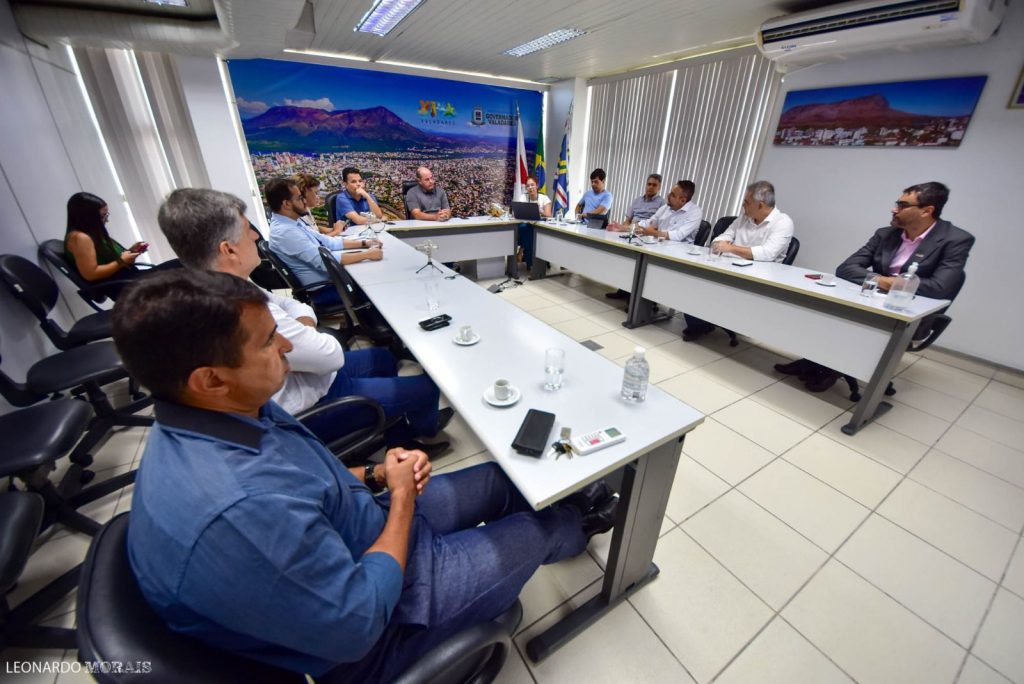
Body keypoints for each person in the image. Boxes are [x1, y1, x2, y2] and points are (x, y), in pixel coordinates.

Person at [116, 269, 618, 683]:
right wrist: (401, 500)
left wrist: (378, 473)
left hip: (364, 524)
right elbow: (356, 623)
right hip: (381, 622)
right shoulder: (237, 509)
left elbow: (305, 480)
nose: (286, 351)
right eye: (269, 343)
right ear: (210, 379)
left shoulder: (229, 412)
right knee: (533, 531)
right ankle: (575, 526)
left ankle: (564, 505)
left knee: (496, 479)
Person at [158, 188, 450, 453]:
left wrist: (302, 328)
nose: (257, 237)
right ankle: (424, 429)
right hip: (313, 401)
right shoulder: (239, 307)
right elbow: (331, 356)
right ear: (228, 249)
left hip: (310, 377)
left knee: (383, 359)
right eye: (248, 231)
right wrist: (303, 332)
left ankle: (397, 438)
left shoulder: (223, 284)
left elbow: (290, 303)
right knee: (428, 386)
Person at [776, 181, 974, 392]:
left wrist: (882, 281)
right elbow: (847, 268)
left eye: (902, 205)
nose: (894, 209)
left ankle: (830, 368)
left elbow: (939, 288)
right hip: (870, 300)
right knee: (823, 309)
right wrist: (888, 282)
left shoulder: (955, 240)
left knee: (851, 322)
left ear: (927, 210)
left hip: (909, 314)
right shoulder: (886, 234)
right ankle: (813, 360)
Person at [682, 180, 794, 341]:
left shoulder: (783, 222)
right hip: (728, 268)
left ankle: (708, 321)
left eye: (746, 203)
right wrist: (723, 245)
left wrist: (731, 248)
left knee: (710, 289)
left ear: (760, 205)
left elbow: (767, 254)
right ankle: (699, 324)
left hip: (757, 279)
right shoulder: (744, 218)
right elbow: (719, 240)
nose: (743, 207)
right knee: (694, 281)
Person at [266, 177, 382, 308]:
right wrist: (367, 255)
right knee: (377, 285)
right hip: (324, 288)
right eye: (299, 198)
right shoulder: (286, 232)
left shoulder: (293, 221)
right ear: (286, 204)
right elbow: (324, 261)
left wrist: (365, 243)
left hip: (332, 279)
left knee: (372, 275)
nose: (304, 201)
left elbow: (327, 241)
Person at [605, 180, 701, 300]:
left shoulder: (695, 212)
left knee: (647, 268)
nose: (668, 195)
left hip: (678, 254)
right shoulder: (666, 208)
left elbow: (678, 235)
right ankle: (626, 290)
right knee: (632, 256)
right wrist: (623, 228)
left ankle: (644, 301)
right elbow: (648, 223)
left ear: (682, 200)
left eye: (672, 194)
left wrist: (653, 233)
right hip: (658, 247)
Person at [63, 192, 149, 297]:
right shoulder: (80, 238)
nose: (106, 220)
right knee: (173, 272)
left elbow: (111, 260)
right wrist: (122, 261)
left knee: (173, 267)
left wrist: (131, 252)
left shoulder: (92, 233)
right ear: (87, 217)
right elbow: (91, 274)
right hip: (124, 287)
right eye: (103, 216)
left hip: (132, 279)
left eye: (106, 215)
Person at [293, 173, 342, 237]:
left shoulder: (306, 208)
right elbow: (315, 242)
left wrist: (331, 230)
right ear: (303, 193)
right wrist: (336, 231)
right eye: (316, 193)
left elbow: (313, 227)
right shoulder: (296, 217)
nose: (318, 196)